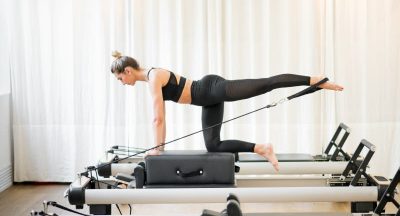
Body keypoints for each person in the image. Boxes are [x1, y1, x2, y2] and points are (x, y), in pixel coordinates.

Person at [110, 51, 344, 171]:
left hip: (213, 89)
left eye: (120, 78)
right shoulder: (151, 77)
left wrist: (158, 150)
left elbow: (157, 118)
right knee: (213, 146)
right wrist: (159, 149)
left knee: (266, 83)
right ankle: (262, 148)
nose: (122, 83)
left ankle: (316, 80)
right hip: (207, 100)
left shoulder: (153, 78)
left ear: (128, 71)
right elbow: (158, 118)